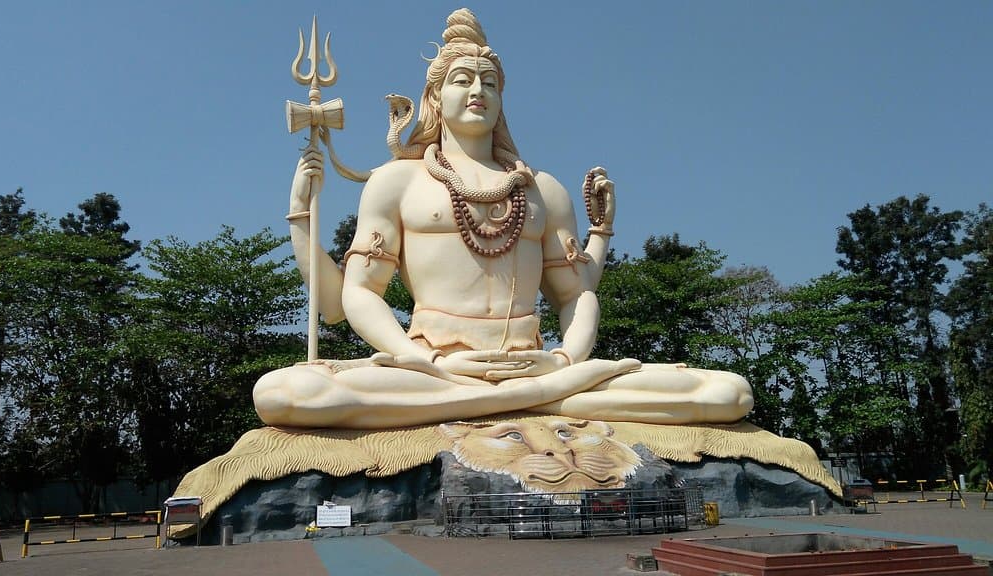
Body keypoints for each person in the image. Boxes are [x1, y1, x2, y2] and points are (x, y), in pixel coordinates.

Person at [253, 8, 753, 429]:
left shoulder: (543, 189)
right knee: (284, 392)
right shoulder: (397, 181)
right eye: (462, 80)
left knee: (728, 392)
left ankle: (521, 394)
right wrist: (426, 361)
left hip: (535, 363)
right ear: (435, 97)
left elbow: (576, 294)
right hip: (431, 366)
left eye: (489, 82)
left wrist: (562, 357)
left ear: (501, 98)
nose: (477, 91)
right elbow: (356, 296)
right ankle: (537, 401)